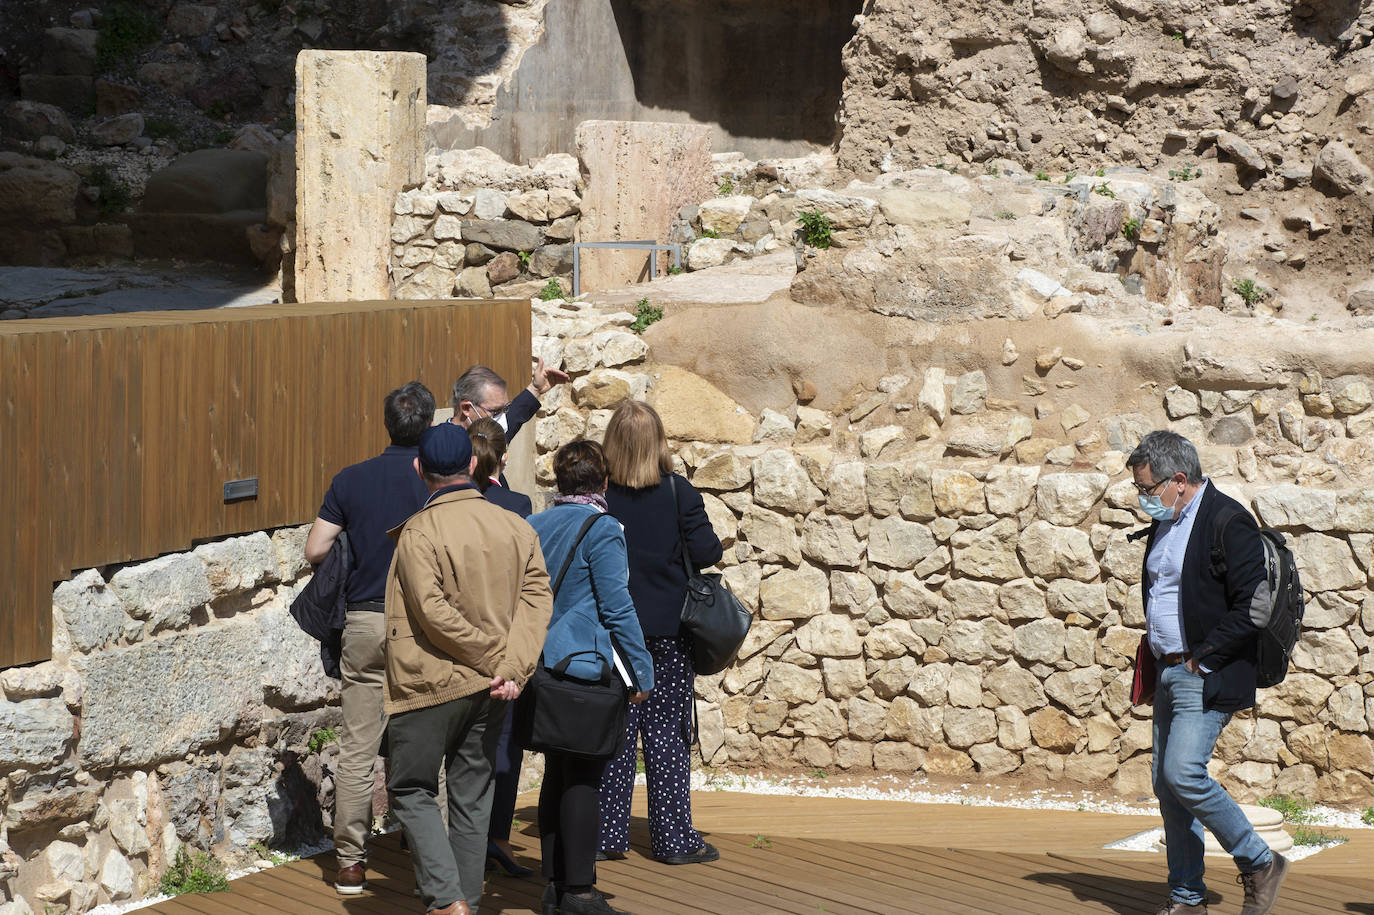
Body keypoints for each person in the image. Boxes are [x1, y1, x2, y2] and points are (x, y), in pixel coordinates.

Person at [384, 423, 553, 915]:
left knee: (410, 788)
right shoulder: (516, 526)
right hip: (493, 688)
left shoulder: (418, 531)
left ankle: (447, 900)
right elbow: (537, 600)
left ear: (420, 470)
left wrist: (497, 662)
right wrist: (512, 667)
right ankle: (466, 904)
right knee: (473, 795)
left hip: (429, 683)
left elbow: (434, 615)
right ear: (475, 465)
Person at [1127, 431, 1288, 915]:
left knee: (1183, 773)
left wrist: (1202, 657)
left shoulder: (1227, 519)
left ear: (1179, 480)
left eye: (1148, 489)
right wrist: (1161, 661)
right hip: (1169, 671)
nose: (1143, 500)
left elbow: (1254, 606)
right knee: (1166, 786)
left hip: (1205, 672)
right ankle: (1186, 898)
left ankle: (1259, 861)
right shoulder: (1169, 520)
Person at [303, 381, 434, 895]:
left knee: (358, 747)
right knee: (425, 744)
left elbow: (316, 549)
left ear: (386, 424)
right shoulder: (438, 482)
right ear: (426, 425)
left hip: (363, 622)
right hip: (422, 627)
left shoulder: (350, 480)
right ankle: (430, 857)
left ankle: (351, 864)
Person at [527, 441, 655, 915]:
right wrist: (641, 671)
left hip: (541, 664)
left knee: (556, 772)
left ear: (559, 481)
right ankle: (579, 891)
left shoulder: (534, 525)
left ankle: (554, 884)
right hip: (585, 668)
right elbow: (617, 607)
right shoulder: (603, 529)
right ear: (603, 482)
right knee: (583, 775)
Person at [596, 400, 724, 866]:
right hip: (668, 632)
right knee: (667, 735)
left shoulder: (599, 494)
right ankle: (673, 840)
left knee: (614, 734)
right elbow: (707, 551)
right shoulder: (679, 492)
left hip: (612, 633)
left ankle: (607, 836)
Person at [468, 417, 535, 878]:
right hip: (505, 633)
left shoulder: (451, 503)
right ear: (504, 457)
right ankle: (496, 839)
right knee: (505, 743)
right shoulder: (516, 503)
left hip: (459, 635)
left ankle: (459, 840)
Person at [450, 358, 569, 442]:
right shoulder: (442, 449)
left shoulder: (489, 436)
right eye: (495, 411)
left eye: (504, 409)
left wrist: (536, 389)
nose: (502, 419)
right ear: (466, 408)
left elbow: (515, 414)